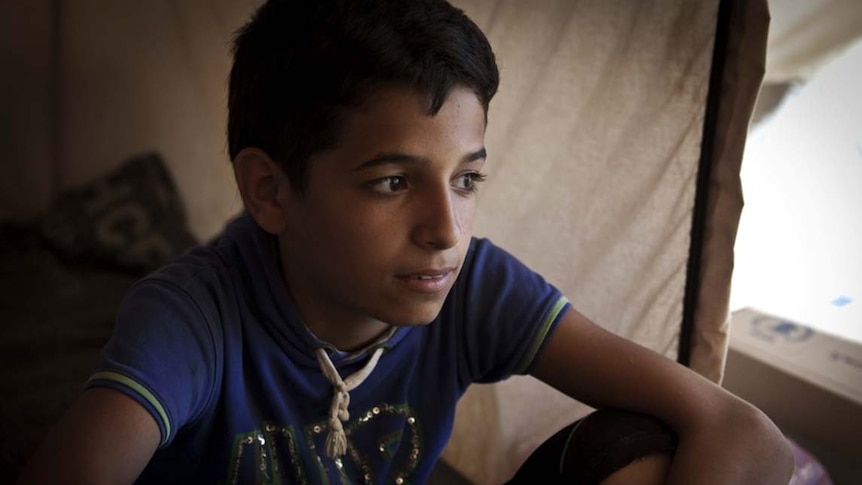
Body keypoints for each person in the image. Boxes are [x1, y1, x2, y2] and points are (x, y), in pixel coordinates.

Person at [16, 0, 794, 484]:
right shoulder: (194, 316)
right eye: (392, 182)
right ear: (270, 191)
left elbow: (746, 436)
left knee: (643, 449)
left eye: (465, 180)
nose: (446, 230)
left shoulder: (472, 287)